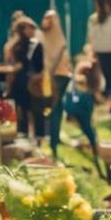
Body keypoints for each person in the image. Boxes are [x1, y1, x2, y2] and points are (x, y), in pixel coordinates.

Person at [61, 60, 108, 178]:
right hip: (80, 114)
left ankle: (98, 166)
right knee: (91, 137)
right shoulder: (84, 89)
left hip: (77, 114)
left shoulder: (78, 87)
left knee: (90, 136)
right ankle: (98, 167)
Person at [40, 10, 73, 159]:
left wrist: (51, 72)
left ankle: (54, 140)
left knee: (55, 107)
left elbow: (59, 53)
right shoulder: (46, 36)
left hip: (58, 75)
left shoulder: (55, 35)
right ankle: (54, 139)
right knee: (56, 107)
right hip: (54, 76)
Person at [9, 16, 46, 142]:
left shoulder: (35, 45)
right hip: (22, 82)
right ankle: (25, 136)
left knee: (35, 111)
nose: (33, 30)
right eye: (30, 27)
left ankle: (38, 137)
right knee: (23, 110)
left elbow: (40, 65)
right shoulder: (15, 46)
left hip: (31, 82)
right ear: (22, 29)